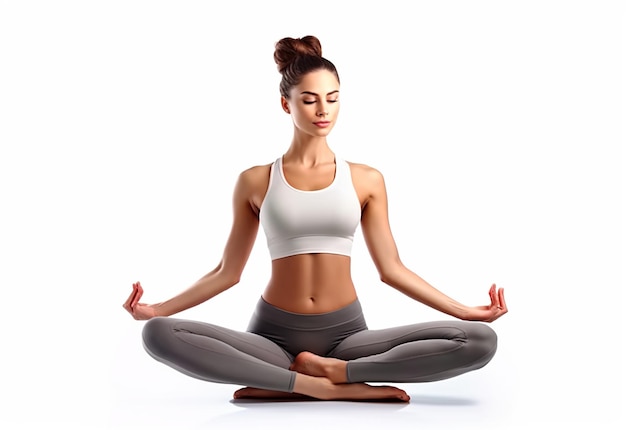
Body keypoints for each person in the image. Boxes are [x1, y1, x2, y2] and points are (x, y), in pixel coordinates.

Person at [122, 35, 508, 403]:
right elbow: (227, 271)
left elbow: (392, 269)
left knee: (478, 341)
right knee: (157, 334)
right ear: (286, 104)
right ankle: (316, 385)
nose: (323, 110)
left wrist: (466, 311)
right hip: (272, 339)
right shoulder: (255, 181)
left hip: (346, 340)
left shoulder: (366, 179)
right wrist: (157, 310)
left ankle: (328, 375)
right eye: (309, 100)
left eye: (332, 98)